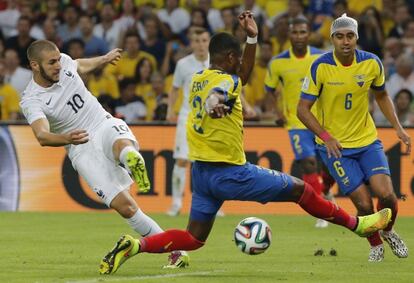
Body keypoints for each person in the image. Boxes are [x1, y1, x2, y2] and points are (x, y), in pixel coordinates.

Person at [99, 11, 392, 275]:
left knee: (194, 238)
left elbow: (235, 81)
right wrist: (220, 103)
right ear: (229, 59)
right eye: (237, 59)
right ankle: (359, 225)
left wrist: (251, 38)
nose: (240, 64)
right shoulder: (225, 83)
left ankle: (136, 245)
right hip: (231, 172)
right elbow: (226, 90)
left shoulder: (199, 78)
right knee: (302, 189)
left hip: (202, 174)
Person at [19, 39, 189, 269]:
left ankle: (129, 157)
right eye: (52, 62)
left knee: (119, 143)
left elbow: (80, 64)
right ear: (35, 66)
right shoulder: (31, 99)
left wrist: (104, 59)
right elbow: (42, 135)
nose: (58, 65)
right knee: (125, 207)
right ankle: (176, 251)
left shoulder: (65, 63)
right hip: (81, 148)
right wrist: (66, 138)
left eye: (59, 59)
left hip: (100, 122)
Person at [297, 14, 411, 262]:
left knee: (388, 195)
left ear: (356, 38)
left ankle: (389, 231)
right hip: (335, 148)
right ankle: (375, 244)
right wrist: (326, 137)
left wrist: (398, 127)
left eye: (350, 36)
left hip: (367, 141)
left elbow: (381, 95)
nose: (345, 41)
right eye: (339, 36)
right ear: (332, 39)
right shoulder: (320, 66)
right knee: (363, 204)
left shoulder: (372, 63)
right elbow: (302, 109)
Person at [264, 16, 335, 228]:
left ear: (309, 34)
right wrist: (277, 112)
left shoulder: (322, 57)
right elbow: (269, 90)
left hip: (322, 120)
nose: (299, 36)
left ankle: (325, 190)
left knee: (331, 167)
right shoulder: (277, 62)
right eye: (295, 32)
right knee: (309, 162)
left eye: (303, 32)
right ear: (289, 34)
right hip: (296, 122)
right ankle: (322, 210)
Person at [165, 26, 210, 216]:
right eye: (197, 41)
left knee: (210, 163)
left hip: (211, 120)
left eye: (204, 41)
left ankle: (212, 205)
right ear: (191, 43)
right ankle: (176, 204)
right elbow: (175, 89)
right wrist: (170, 110)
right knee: (182, 160)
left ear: (209, 42)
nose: (200, 45)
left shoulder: (216, 63)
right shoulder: (183, 64)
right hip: (187, 117)